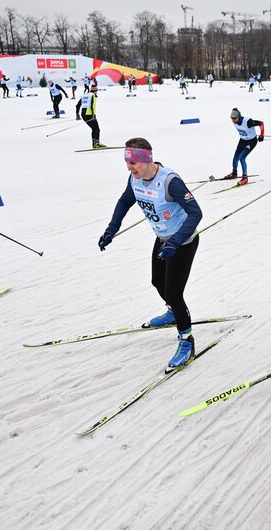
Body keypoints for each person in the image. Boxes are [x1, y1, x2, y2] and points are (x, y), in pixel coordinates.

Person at [98, 139, 203, 369]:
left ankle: (187, 341)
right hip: (164, 239)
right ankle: (173, 313)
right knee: (158, 282)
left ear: (146, 160)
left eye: (132, 162)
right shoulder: (135, 179)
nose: (129, 168)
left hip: (182, 242)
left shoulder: (169, 182)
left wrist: (175, 242)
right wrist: (111, 229)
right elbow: (125, 201)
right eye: (127, 162)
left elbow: (196, 213)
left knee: (174, 293)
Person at [222, 108, 264, 186]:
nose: (233, 120)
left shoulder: (248, 121)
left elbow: (261, 123)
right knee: (235, 157)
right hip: (242, 141)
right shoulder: (235, 121)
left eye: (234, 118)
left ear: (239, 117)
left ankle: (245, 177)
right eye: (231, 118)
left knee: (242, 157)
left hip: (251, 142)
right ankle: (234, 173)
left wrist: (262, 135)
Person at [76, 84, 104, 149]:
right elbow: (92, 105)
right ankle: (96, 143)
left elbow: (77, 105)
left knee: (94, 129)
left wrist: (77, 114)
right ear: (95, 91)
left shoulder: (85, 95)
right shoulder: (93, 95)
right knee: (96, 129)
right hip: (90, 114)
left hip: (83, 114)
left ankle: (95, 143)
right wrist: (94, 115)